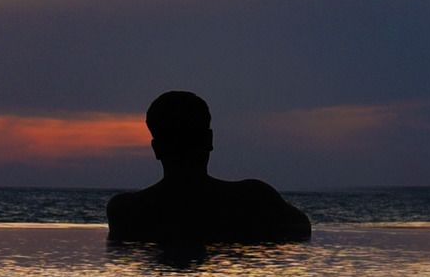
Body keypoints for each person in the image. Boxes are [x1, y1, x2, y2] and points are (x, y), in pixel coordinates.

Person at [105, 89, 311, 248]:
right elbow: (302, 230)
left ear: (156, 149)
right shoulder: (253, 199)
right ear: (209, 140)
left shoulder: (127, 210)